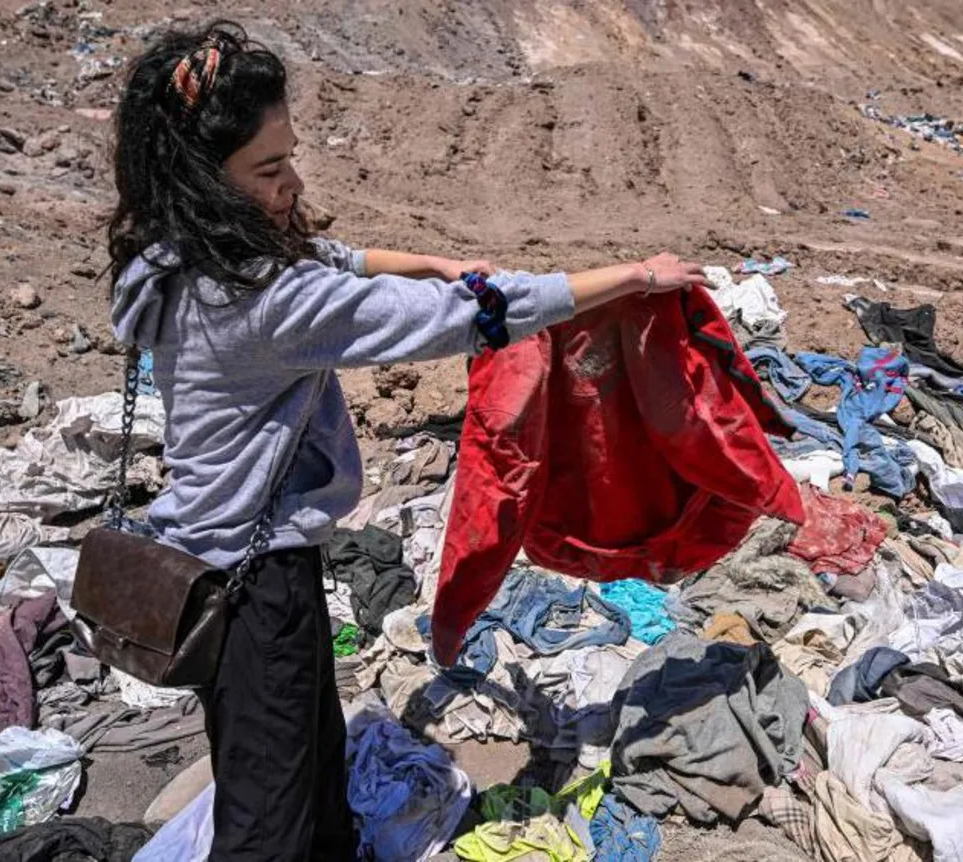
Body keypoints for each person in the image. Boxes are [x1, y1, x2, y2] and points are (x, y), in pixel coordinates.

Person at [105, 20, 706, 862]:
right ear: (205, 179)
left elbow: (327, 255)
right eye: (269, 170)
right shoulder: (265, 302)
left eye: (290, 158)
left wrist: (421, 261)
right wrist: (635, 277)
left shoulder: (169, 260)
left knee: (310, 768)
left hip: (208, 561)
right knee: (267, 824)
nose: (292, 183)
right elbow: (469, 318)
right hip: (253, 582)